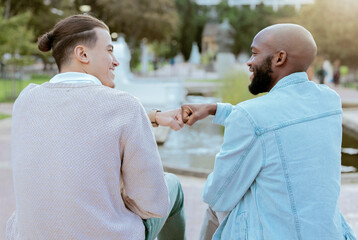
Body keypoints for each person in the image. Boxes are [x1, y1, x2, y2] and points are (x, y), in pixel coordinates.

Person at [6, 15, 186, 240]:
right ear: (82, 54)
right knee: (174, 187)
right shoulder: (125, 105)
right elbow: (152, 204)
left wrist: (152, 118)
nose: (116, 61)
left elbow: (74, 121)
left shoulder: (25, 101)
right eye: (109, 50)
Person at [181, 24, 356, 240]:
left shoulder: (251, 116)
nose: (249, 62)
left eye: (254, 53)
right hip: (328, 233)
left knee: (217, 205)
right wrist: (214, 109)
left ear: (279, 58)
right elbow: (275, 119)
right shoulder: (330, 101)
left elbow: (217, 196)